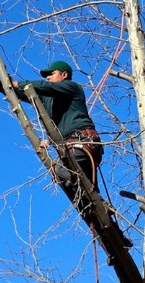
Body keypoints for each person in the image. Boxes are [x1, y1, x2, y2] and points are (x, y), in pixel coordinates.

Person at [10, 61, 104, 193]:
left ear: (64, 75)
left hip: (83, 142)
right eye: (47, 76)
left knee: (61, 170)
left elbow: (45, 86)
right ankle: (96, 206)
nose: (48, 77)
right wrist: (2, 85)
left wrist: (18, 83)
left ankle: (91, 197)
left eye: (51, 74)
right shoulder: (48, 98)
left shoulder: (72, 87)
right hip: (71, 147)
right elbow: (24, 93)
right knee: (83, 193)